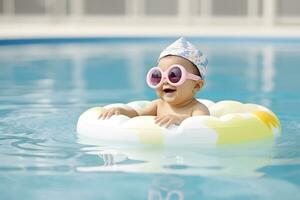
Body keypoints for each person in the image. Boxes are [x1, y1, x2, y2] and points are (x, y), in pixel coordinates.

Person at [99, 37, 209, 127]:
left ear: (197, 85)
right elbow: (137, 115)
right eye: (158, 76)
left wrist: (179, 119)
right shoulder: (158, 105)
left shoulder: (198, 109)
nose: (165, 81)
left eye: (174, 75)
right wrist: (121, 111)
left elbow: (200, 124)